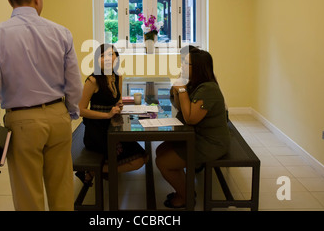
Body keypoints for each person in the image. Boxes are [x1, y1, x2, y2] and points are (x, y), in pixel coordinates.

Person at [0, 0, 83, 211]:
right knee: (62, 190)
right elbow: (74, 82)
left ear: (9, 0)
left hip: (22, 122)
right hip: (58, 117)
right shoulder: (61, 32)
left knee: (28, 197)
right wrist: (71, 112)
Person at [156, 49, 230, 209]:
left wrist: (181, 89)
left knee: (163, 162)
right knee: (160, 150)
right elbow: (180, 107)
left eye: (185, 63)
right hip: (197, 135)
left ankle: (186, 196)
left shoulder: (208, 89)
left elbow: (190, 118)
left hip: (211, 142)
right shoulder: (195, 84)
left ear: (197, 68)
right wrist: (178, 89)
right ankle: (185, 189)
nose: (181, 65)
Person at [77, 44, 147, 185]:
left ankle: (96, 171)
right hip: (97, 131)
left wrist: (119, 105)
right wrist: (107, 115)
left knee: (144, 157)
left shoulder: (118, 77)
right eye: (102, 56)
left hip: (114, 128)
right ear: (97, 61)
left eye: (111, 54)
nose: (107, 59)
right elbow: (80, 110)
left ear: (116, 57)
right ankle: (94, 170)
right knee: (139, 160)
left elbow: (118, 99)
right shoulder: (93, 80)